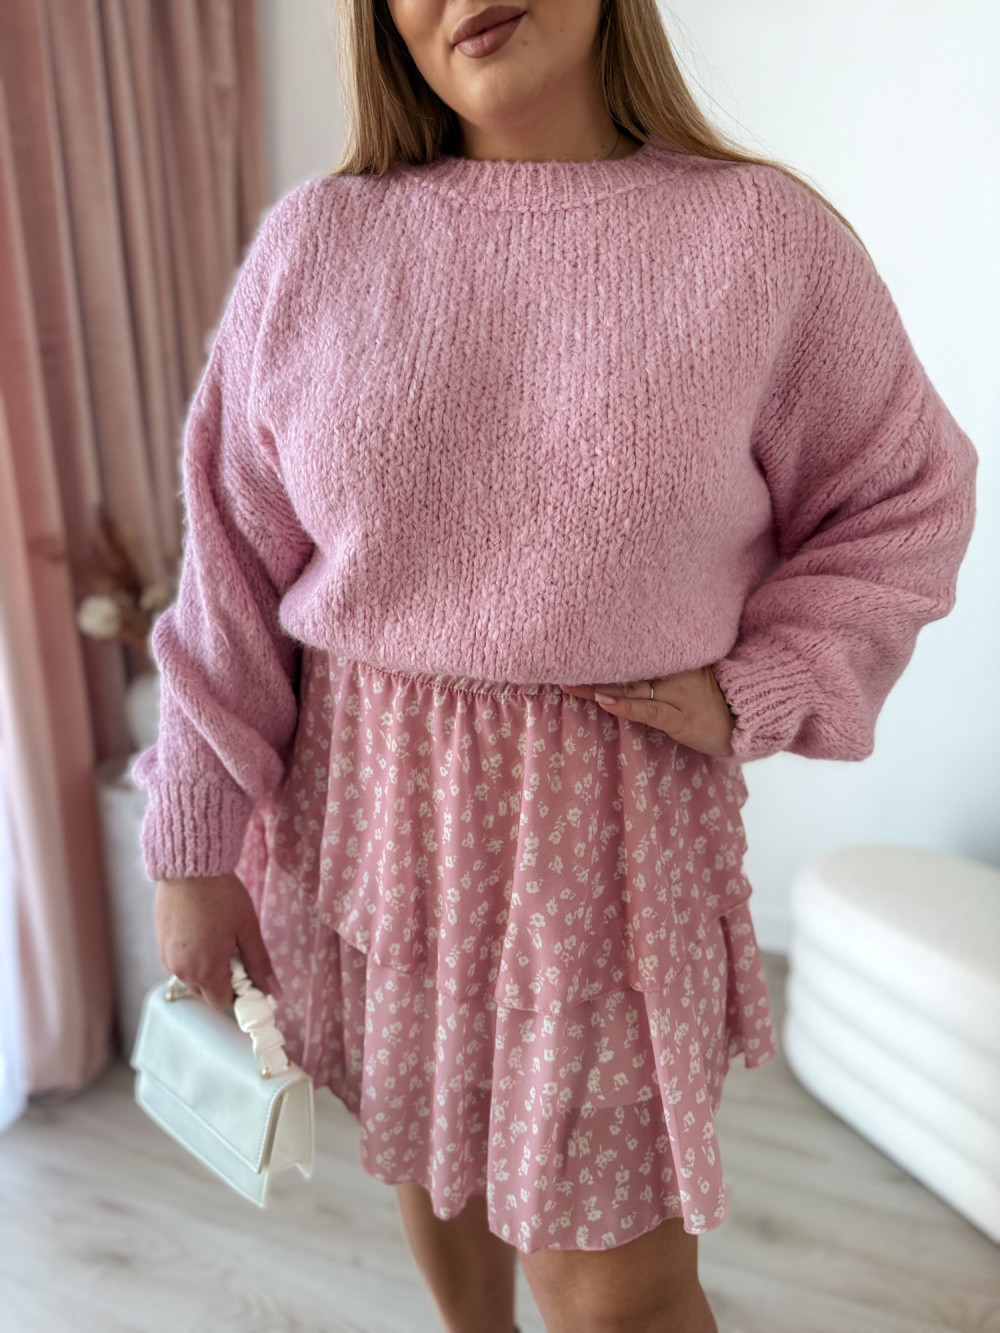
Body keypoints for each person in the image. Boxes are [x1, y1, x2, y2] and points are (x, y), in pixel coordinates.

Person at [130, 2, 978, 1330]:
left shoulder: (758, 240)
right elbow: (228, 564)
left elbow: (906, 495)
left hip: (608, 842)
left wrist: (768, 681)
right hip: (375, 819)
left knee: (617, 1296)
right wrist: (193, 844)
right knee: (433, 1147)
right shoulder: (320, 244)